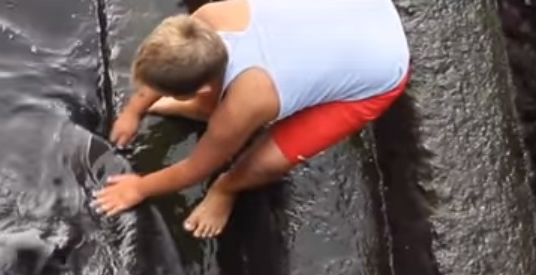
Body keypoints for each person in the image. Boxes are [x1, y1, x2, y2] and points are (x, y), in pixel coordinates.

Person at [92, 0, 410, 238]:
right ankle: (194, 107)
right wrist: (133, 110)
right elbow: (166, 61)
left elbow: (195, 168)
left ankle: (228, 189)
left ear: (202, 87)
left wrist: (140, 188)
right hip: (360, 10)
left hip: (383, 64)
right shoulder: (205, 21)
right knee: (222, 101)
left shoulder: (246, 103)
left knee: (266, 163)